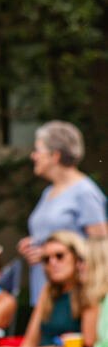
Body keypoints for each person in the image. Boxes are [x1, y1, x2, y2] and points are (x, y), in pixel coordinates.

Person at [20, 120, 108, 302]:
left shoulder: (85, 192)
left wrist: (46, 253)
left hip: (75, 295)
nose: (33, 156)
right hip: (45, 290)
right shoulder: (48, 193)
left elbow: (100, 247)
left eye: (38, 150)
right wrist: (33, 245)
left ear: (55, 155)